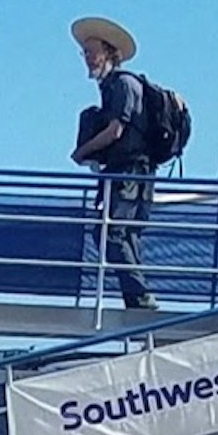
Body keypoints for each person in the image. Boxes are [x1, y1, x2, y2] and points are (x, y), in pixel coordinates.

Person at [72, 16, 156, 314]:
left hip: (130, 173)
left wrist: (83, 151)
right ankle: (138, 300)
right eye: (85, 54)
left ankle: (141, 299)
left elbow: (115, 130)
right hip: (130, 174)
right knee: (124, 235)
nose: (87, 59)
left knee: (111, 233)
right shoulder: (114, 86)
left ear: (109, 52)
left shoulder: (122, 85)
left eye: (91, 52)